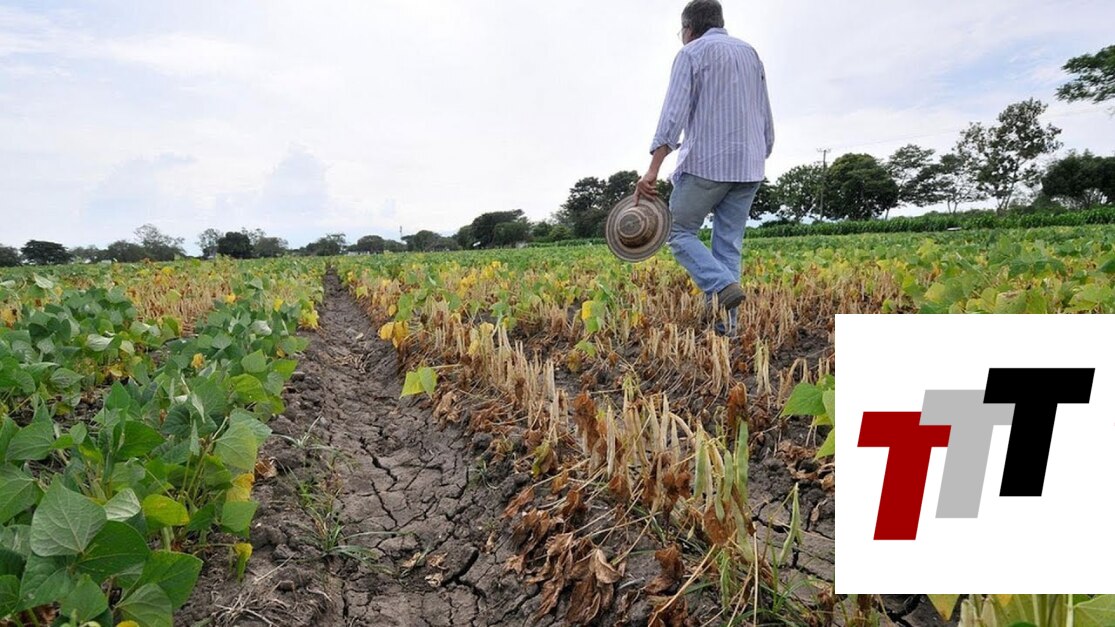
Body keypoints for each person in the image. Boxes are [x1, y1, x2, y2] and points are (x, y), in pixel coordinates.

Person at [634, 0, 774, 335]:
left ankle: (721, 285)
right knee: (728, 245)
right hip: (749, 165)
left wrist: (653, 169)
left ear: (689, 28)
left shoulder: (691, 53)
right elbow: (765, 113)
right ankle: (727, 328)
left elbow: (673, 115)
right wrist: (761, 151)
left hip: (707, 163)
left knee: (675, 231)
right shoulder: (750, 53)